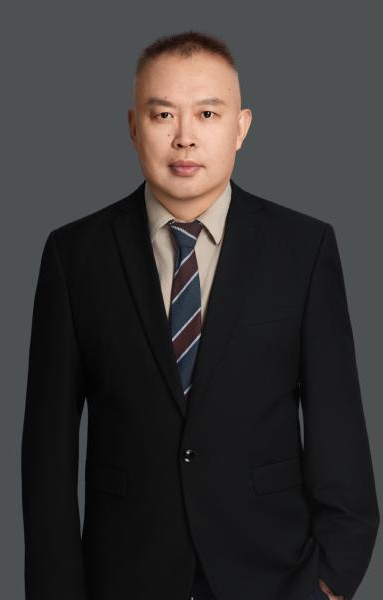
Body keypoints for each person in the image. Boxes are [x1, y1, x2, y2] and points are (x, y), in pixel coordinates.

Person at [21, 30, 379, 600]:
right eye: (163, 114)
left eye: (208, 113)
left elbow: (340, 429)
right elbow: (47, 455)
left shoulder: (303, 248)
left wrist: (330, 581)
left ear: (241, 127)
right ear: (134, 126)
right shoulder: (75, 255)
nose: (184, 137)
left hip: (273, 577)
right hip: (123, 577)